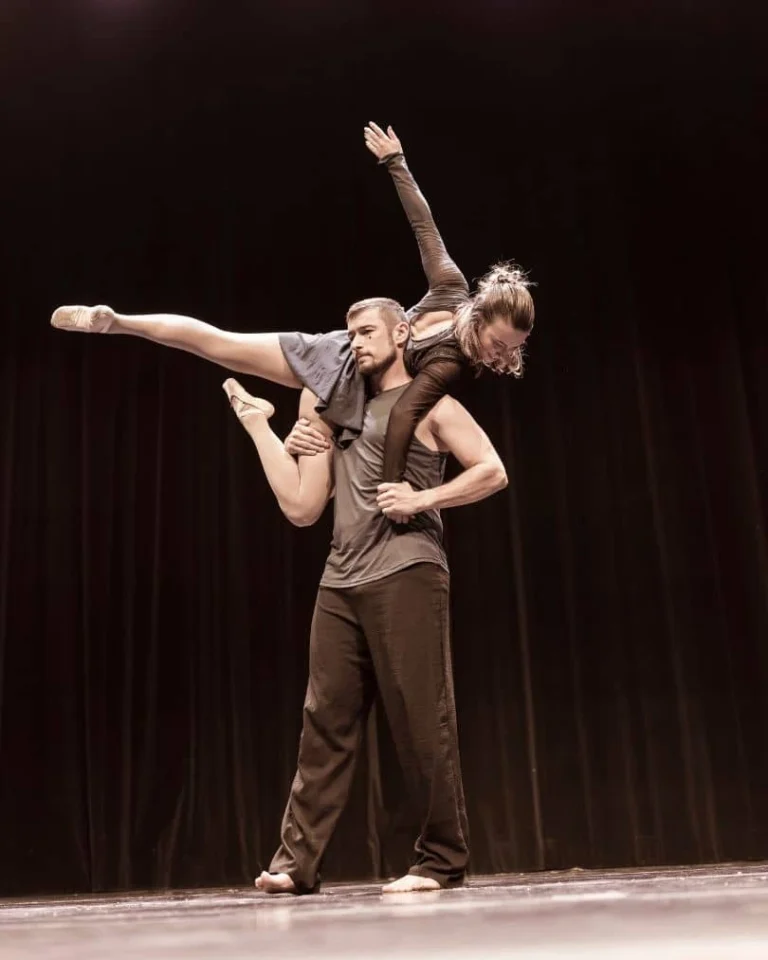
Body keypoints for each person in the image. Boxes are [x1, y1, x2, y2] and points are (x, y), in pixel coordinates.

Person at [50, 123, 534, 483]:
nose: (500, 357)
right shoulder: (450, 305)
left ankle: (125, 326)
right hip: (345, 373)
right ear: (481, 313)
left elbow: (403, 409)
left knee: (223, 352)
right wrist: (397, 163)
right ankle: (116, 321)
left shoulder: (457, 347)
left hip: (341, 364)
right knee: (221, 348)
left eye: (510, 351)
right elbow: (424, 228)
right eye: (499, 343)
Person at [223, 296, 508, 894]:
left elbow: (491, 470)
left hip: (407, 571)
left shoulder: (432, 404)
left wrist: (423, 498)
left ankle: (441, 861)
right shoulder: (340, 411)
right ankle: (295, 865)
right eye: (349, 334)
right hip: (340, 578)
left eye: (366, 331)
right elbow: (307, 502)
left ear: (402, 333)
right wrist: (289, 437)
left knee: (420, 720)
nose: (355, 342)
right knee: (323, 720)